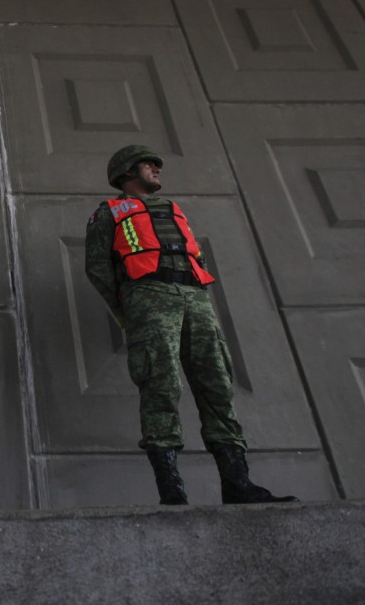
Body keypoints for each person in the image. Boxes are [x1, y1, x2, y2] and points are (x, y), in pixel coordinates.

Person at [84, 144, 299, 506]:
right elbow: (98, 268)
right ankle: (171, 490)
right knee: (160, 383)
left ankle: (237, 483)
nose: (156, 167)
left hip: (194, 296)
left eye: (156, 163)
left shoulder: (174, 210)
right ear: (125, 172)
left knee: (216, 380)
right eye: (147, 163)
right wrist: (129, 309)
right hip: (148, 295)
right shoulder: (107, 212)